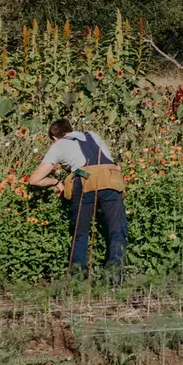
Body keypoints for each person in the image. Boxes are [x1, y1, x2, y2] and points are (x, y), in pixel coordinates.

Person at [25, 118, 127, 279]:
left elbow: (34, 179)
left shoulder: (58, 145)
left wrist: (56, 182)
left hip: (85, 179)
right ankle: (115, 277)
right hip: (112, 178)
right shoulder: (93, 135)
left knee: (80, 232)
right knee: (117, 230)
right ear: (70, 129)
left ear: (55, 137)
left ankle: (78, 276)